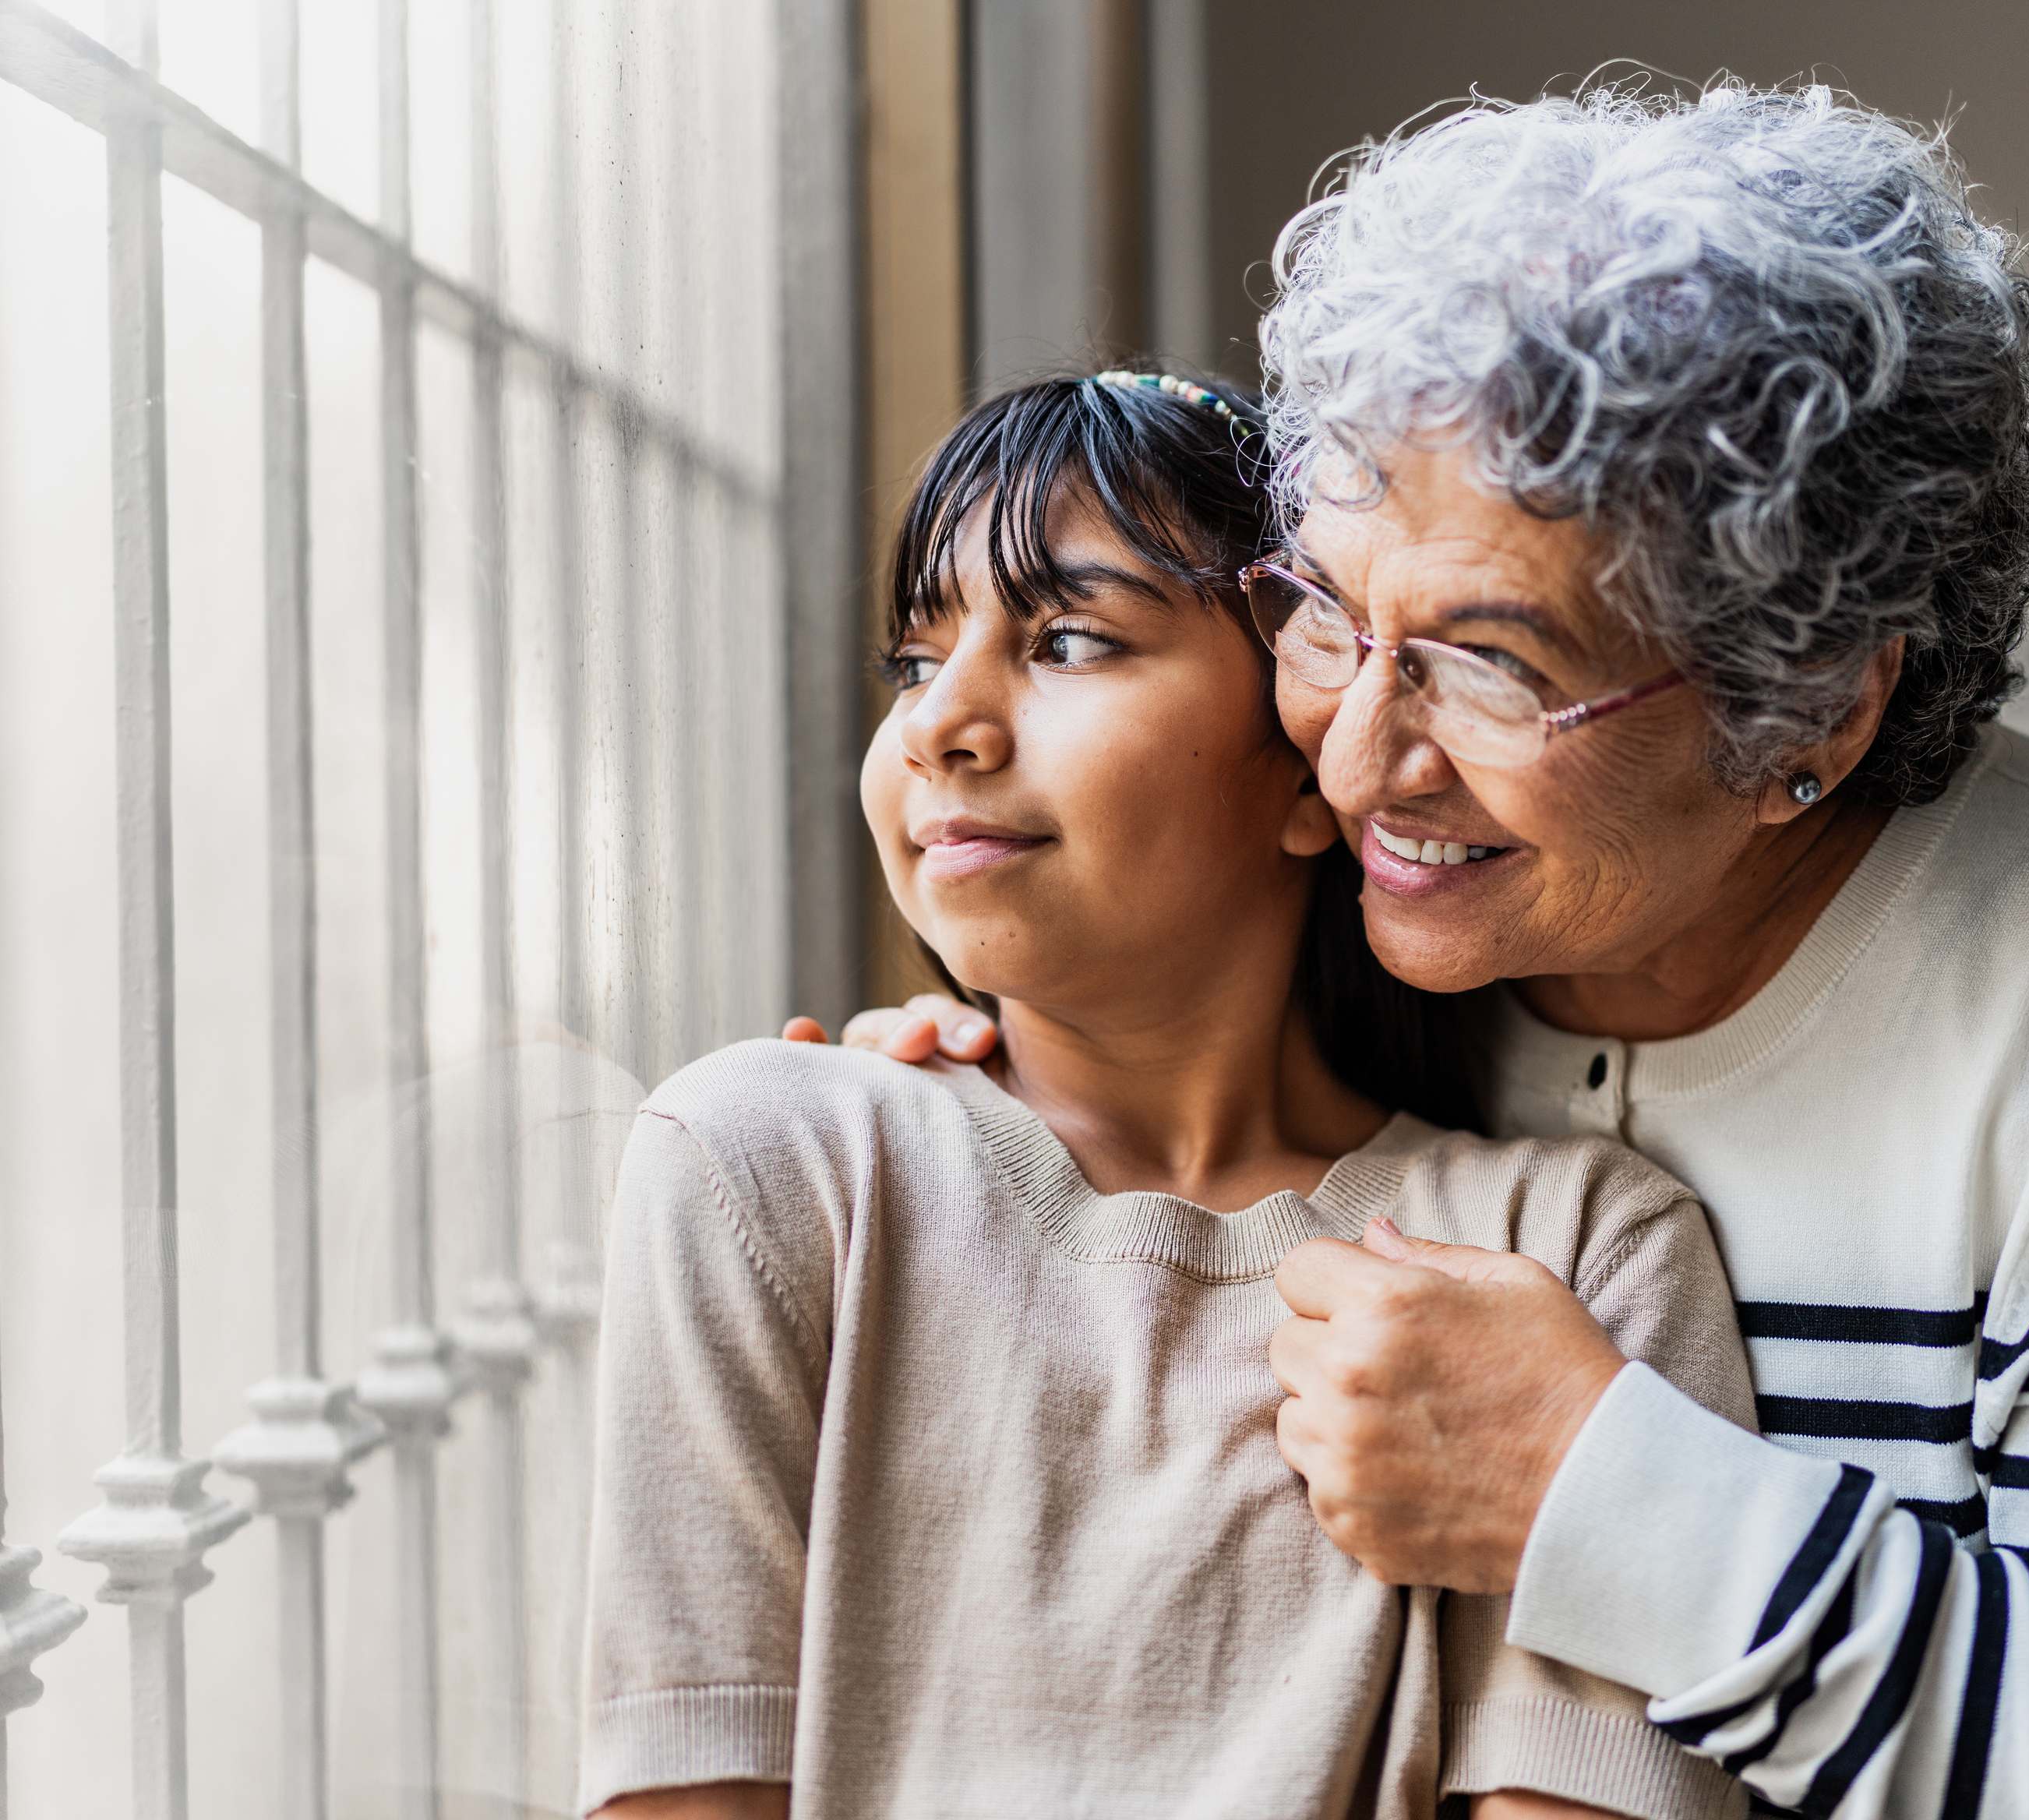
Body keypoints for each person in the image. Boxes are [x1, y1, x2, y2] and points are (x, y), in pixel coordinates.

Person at [826, 86, 2029, 1818]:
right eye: (1324, 609)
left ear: (1809, 709)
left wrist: (1609, 1505)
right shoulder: (1349, 905)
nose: (1363, 755)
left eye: (1494, 664)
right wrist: (968, 1120)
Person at [581, 369, 1756, 1820]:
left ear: (1312, 757)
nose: (940, 723)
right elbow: (683, 1789)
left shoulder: (1577, 1252)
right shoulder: (765, 1166)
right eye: (911, 661)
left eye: (1068, 640)